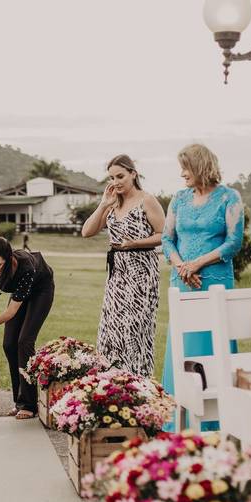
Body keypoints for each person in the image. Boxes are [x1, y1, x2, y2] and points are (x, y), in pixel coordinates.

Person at [161, 143, 244, 430]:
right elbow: (167, 239)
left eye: (186, 167)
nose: (182, 173)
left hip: (215, 284)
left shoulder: (229, 198)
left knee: (213, 345)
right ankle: (178, 422)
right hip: (182, 283)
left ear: (200, 167)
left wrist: (197, 264)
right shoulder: (179, 199)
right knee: (182, 346)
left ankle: (218, 421)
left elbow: (233, 243)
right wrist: (182, 265)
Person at [81, 154, 164, 377]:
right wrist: (103, 204)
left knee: (134, 330)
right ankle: (110, 382)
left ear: (133, 174)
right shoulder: (112, 202)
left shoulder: (147, 200)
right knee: (112, 328)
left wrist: (135, 243)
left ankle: (137, 382)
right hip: (117, 274)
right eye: (111, 177)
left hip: (141, 273)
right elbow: (86, 232)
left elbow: (164, 235)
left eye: (120, 176)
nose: (116, 182)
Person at [0, 237, 54, 420]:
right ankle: (19, 402)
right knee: (9, 344)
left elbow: (11, 311)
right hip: (21, 292)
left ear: (9, 259)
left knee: (24, 341)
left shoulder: (25, 267)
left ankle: (29, 404)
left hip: (40, 290)